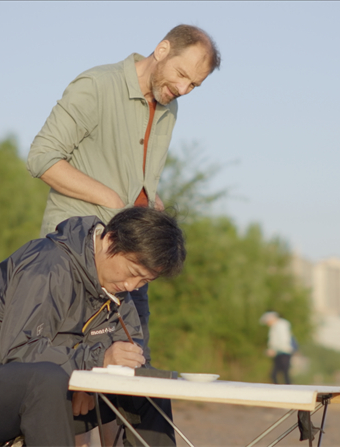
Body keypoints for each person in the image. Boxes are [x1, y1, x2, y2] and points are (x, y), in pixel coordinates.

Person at [26, 24, 220, 366]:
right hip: (78, 259)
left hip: (134, 263)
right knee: (62, 369)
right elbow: (42, 158)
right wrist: (114, 201)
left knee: (134, 370)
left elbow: (133, 173)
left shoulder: (169, 106)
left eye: (194, 85)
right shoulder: (97, 85)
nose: (183, 89)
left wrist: (149, 199)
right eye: (181, 75)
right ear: (162, 50)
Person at [0, 207, 186, 447]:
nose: (132, 286)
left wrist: (88, 382)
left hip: (58, 394)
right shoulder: (47, 265)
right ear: (110, 240)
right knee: (47, 380)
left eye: (144, 280)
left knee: (148, 387)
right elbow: (20, 353)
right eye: (132, 272)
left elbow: (127, 362)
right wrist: (95, 363)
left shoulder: (120, 294)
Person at [260, 311, 294, 385]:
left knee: (283, 374)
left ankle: (288, 389)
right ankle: (282, 389)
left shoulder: (281, 326)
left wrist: (273, 350)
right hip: (279, 353)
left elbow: (283, 340)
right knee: (277, 374)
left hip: (284, 352)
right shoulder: (275, 326)